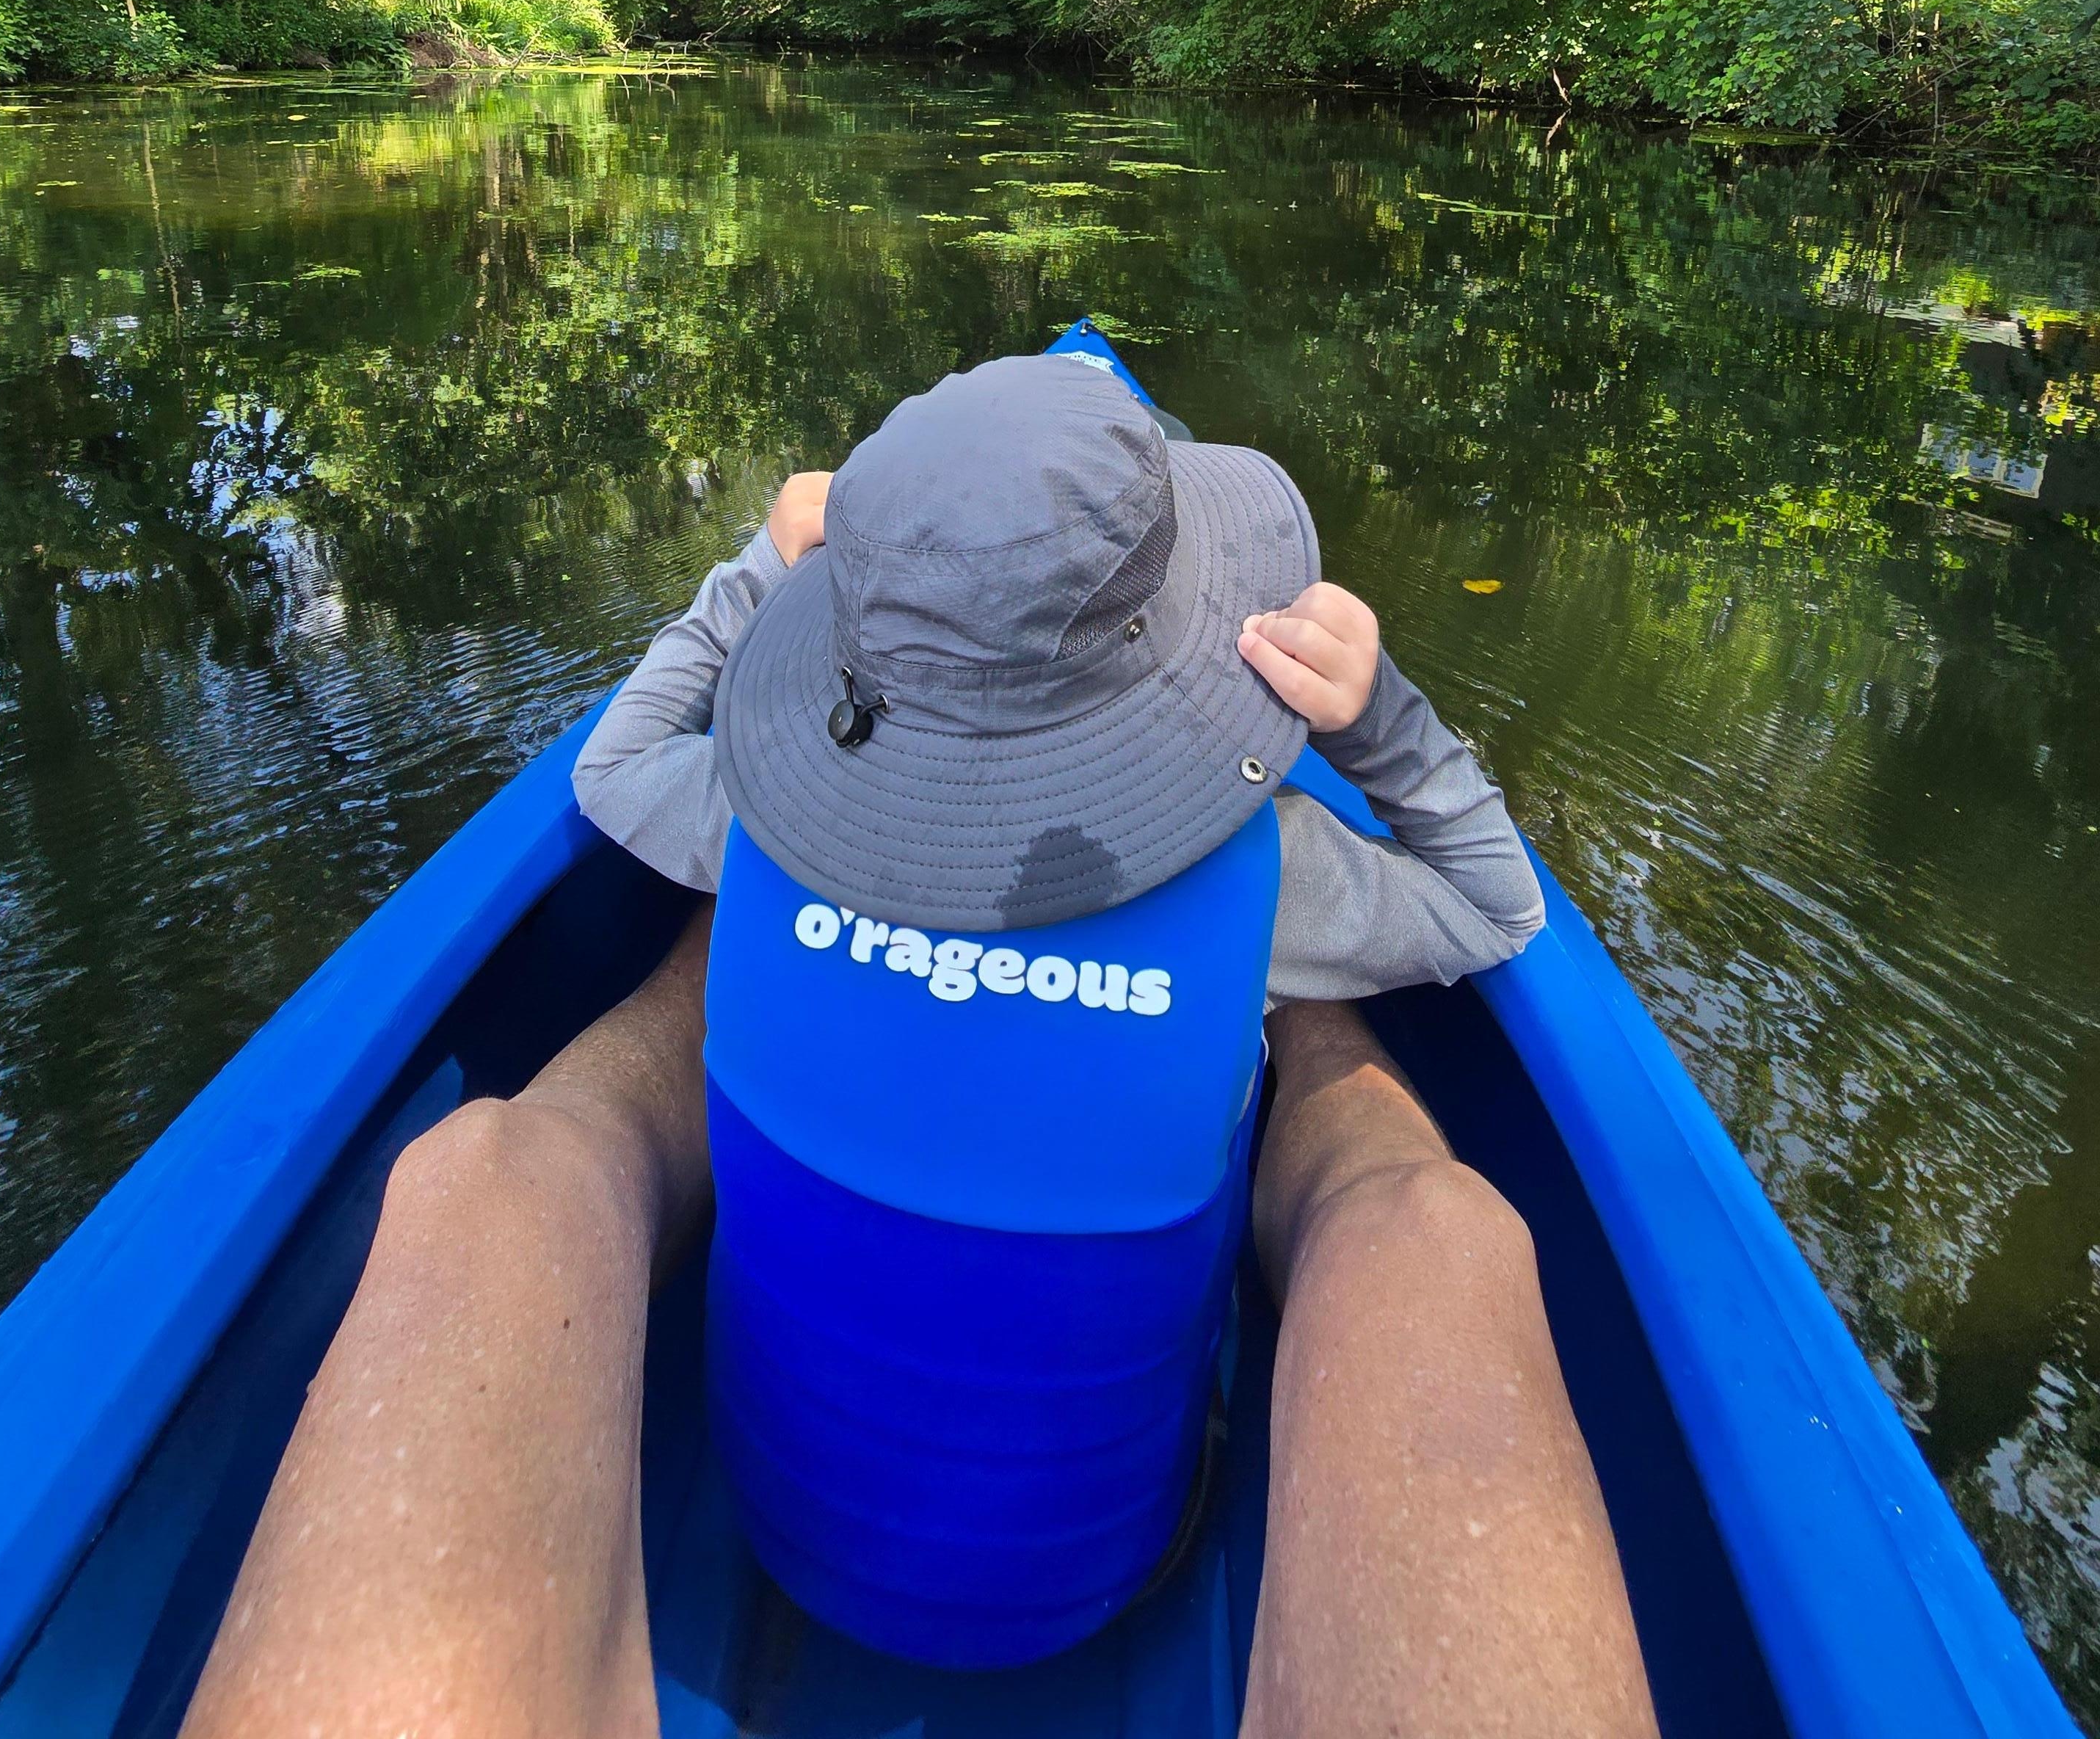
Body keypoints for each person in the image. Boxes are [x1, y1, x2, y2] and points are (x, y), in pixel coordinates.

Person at [184, 357, 1660, 1739]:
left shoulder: (746, 806)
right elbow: (1493, 903)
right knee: (1376, 1129)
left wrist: (761, 567)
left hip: (780, 1519)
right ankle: (1297, 1047)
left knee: (583, 1075)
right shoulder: (1280, 861)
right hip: (1108, 1564)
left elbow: (616, 769)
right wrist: (1379, 712)